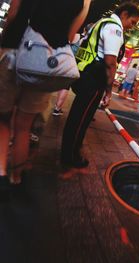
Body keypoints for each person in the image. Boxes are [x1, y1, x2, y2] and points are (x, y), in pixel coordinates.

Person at [0, 0, 91, 200]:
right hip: (43, 63)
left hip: (13, 51)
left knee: (3, 119)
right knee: (24, 126)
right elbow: (69, 36)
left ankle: (1, 174)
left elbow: (14, 13)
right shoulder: (86, 1)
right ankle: (16, 178)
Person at [60, 3, 139, 169]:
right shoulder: (114, 28)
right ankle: (70, 156)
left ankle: (70, 151)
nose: (132, 27)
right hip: (94, 78)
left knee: (78, 116)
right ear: (124, 14)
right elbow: (111, 62)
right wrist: (109, 91)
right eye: (132, 22)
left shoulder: (102, 23)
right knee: (81, 119)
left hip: (85, 73)